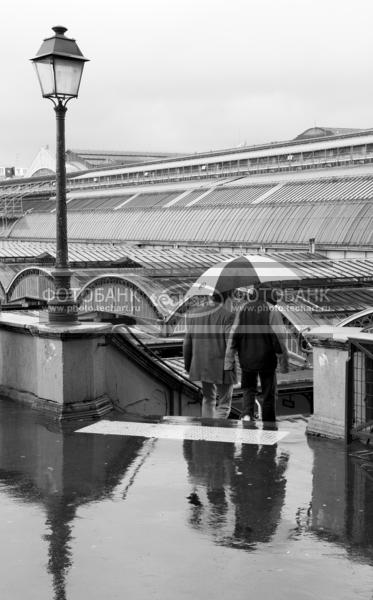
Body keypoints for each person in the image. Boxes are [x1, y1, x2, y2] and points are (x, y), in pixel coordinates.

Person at [225, 287, 289, 423]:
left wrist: (228, 360)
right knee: (268, 394)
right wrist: (284, 365)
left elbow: (234, 335)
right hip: (267, 360)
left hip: (246, 359)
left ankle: (247, 415)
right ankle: (268, 424)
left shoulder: (243, 309)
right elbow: (280, 339)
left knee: (248, 389)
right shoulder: (272, 310)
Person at [183, 292, 236, 418]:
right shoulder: (228, 316)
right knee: (223, 404)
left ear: (211, 296)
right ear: (227, 297)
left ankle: (207, 431)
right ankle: (216, 434)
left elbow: (187, 343)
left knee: (208, 399)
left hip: (200, 364)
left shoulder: (194, 314)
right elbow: (230, 344)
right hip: (221, 366)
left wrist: (188, 365)